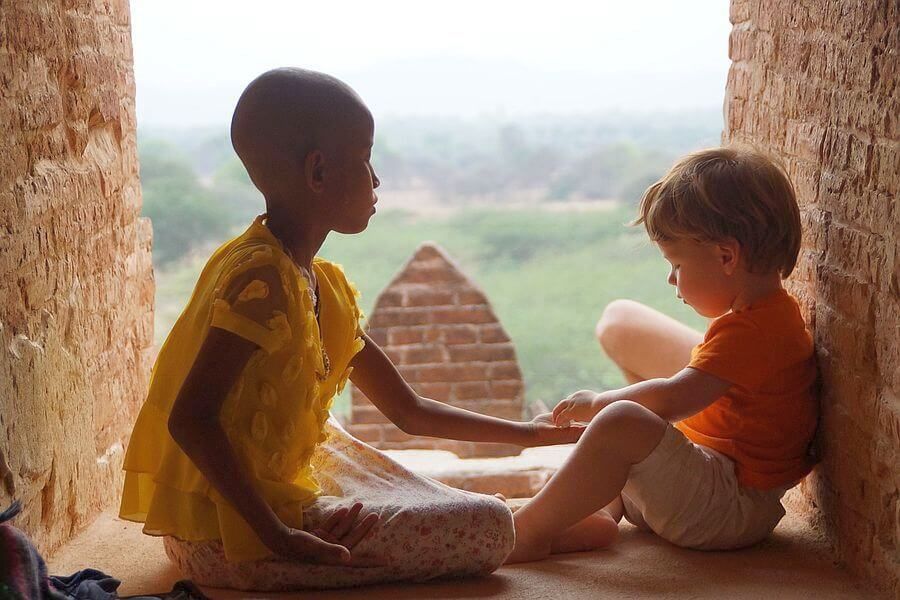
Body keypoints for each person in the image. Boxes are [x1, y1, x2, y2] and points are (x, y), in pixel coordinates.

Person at [119, 67, 581, 590]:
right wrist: (278, 536)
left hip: (257, 495)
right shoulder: (261, 278)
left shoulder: (319, 282)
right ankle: (517, 532)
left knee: (337, 443)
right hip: (226, 536)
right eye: (365, 159)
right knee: (489, 526)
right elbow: (192, 419)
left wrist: (529, 435)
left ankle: (509, 525)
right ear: (318, 172)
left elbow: (408, 412)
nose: (377, 179)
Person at [506, 146, 818, 563]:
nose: (671, 278)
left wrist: (599, 404)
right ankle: (593, 517)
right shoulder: (763, 316)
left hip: (729, 507)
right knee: (617, 442)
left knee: (622, 421)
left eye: (676, 263)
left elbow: (673, 399)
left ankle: (525, 532)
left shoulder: (756, 331)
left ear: (727, 257)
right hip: (713, 487)